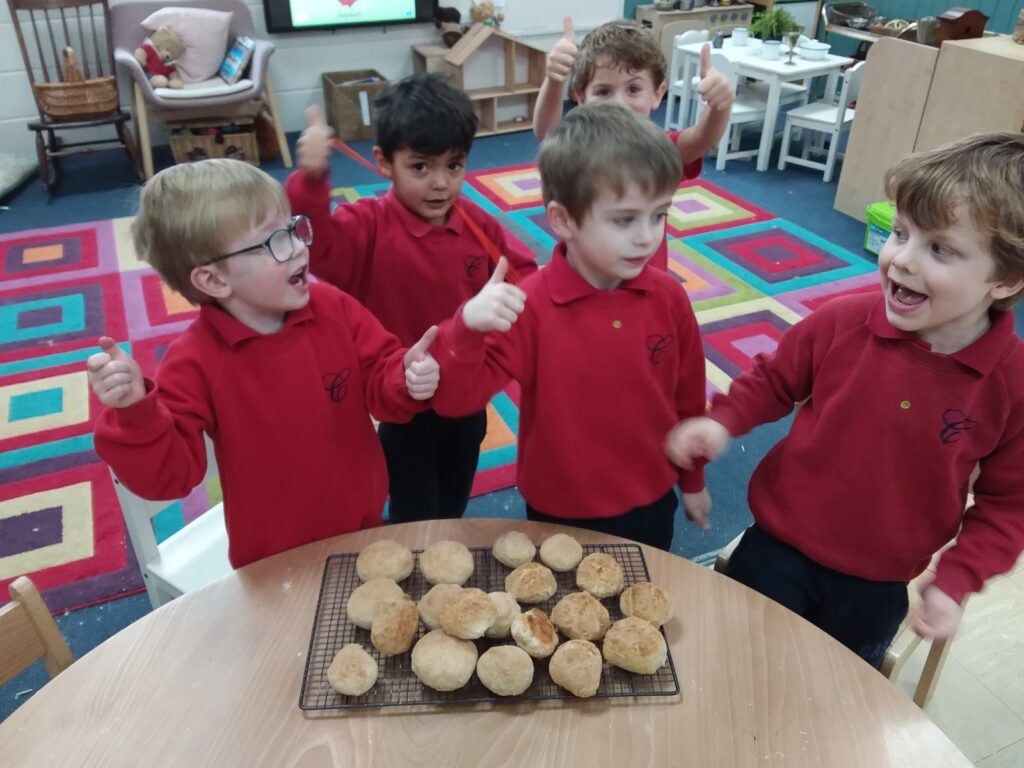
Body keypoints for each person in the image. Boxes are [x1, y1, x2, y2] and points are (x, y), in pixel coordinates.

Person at [666, 132, 1024, 666]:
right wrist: (725, 421)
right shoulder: (842, 321)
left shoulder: (1010, 382)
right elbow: (774, 380)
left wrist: (957, 578)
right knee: (733, 664)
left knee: (829, 694)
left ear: (1006, 279)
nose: (901, 259)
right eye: (899, 233)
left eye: (939, 248)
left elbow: (1008, 504)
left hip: (876, 583)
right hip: (775, 548)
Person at [88, 159, 440, 569]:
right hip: (272, 562)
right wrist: (134, 411)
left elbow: (383, 379)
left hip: (363, 524)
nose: (297, 246)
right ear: (214, 281)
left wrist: (407, 375)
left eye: (292, 228)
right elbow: (171, 477)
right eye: (273, 241)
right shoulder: (194, 362)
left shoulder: (334, 308)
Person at [430, 102, 711, 551]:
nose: (647, 236)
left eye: (659, 214)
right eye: (624, 219)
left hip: (651, 497)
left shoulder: (670, 297)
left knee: (642, 610)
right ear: (563, 220)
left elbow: (688, 396)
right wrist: (466, 327)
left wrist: (692, 481)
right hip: (559, 508)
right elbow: (456, 400)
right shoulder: (530, 304)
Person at [286, 73, 539, 524]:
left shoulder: (476, 223)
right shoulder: (367, 225)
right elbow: (316, 245)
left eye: (455, 165)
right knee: (414, 513)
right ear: (384, 162)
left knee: (456, 491)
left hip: (466, 394)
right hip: (402, 399)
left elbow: (525, 280)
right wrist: (311, 179)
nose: (441, 184)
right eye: (421, 167)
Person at [532, 17, 734, 272]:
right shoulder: (577, 148)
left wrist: (719, 105)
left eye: (634, 89)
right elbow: (545, 132)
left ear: (658, 94)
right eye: (604, 92)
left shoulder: (655, 150)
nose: (619, 104)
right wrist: (554, 80)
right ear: (582, 97)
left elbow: (701, 138)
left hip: (645, 283)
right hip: (585, 277)